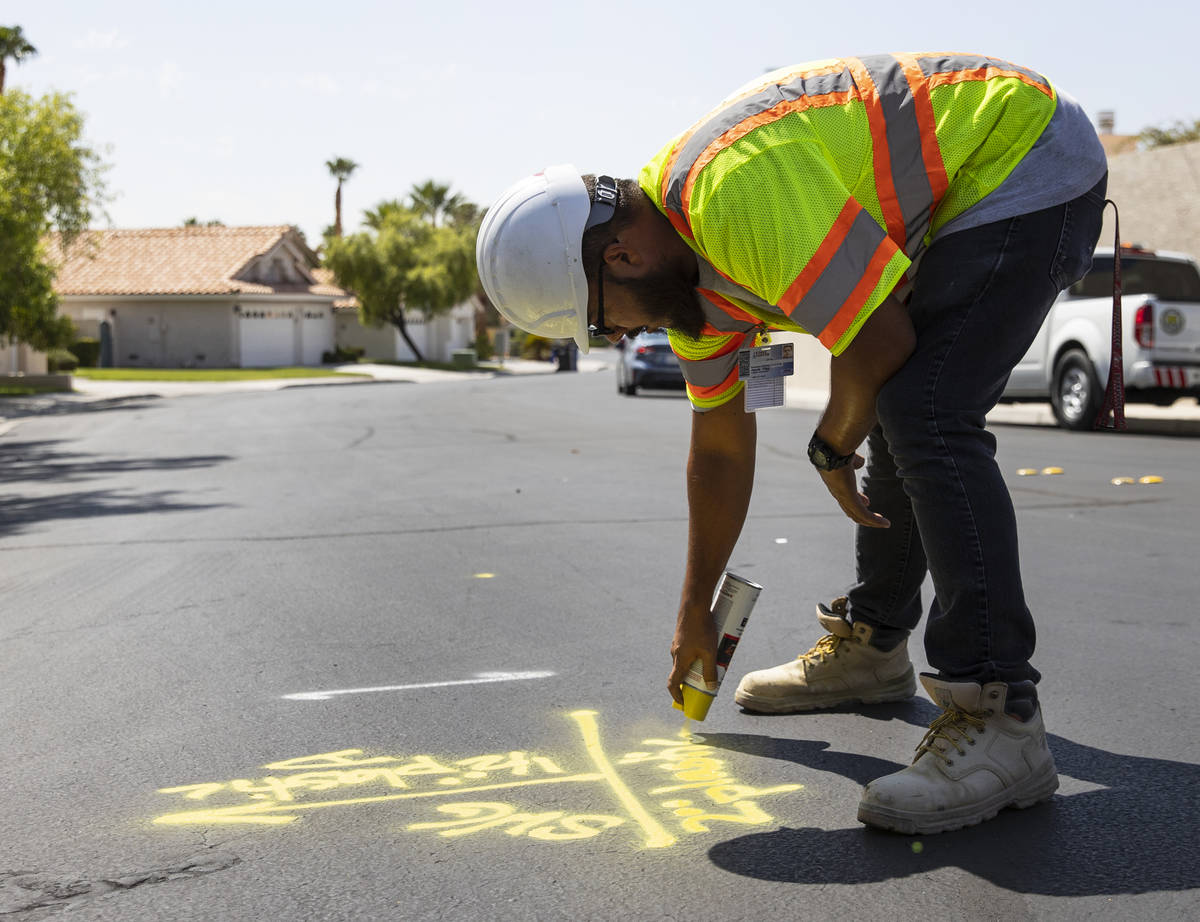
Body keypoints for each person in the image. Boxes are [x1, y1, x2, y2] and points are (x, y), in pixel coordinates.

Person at [476, 52, 1108, 835]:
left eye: (605, 321)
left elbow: (878, 338)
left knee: (924, 409)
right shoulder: (693, 295)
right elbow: (721, 446)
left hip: (1024, 153)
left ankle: (1001, 716)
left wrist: (832, 447)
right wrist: (693, 614)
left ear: (621, 256)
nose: (623, 336)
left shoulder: (730, 196)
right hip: (958, 193)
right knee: (894, 404)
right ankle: (874, 650)